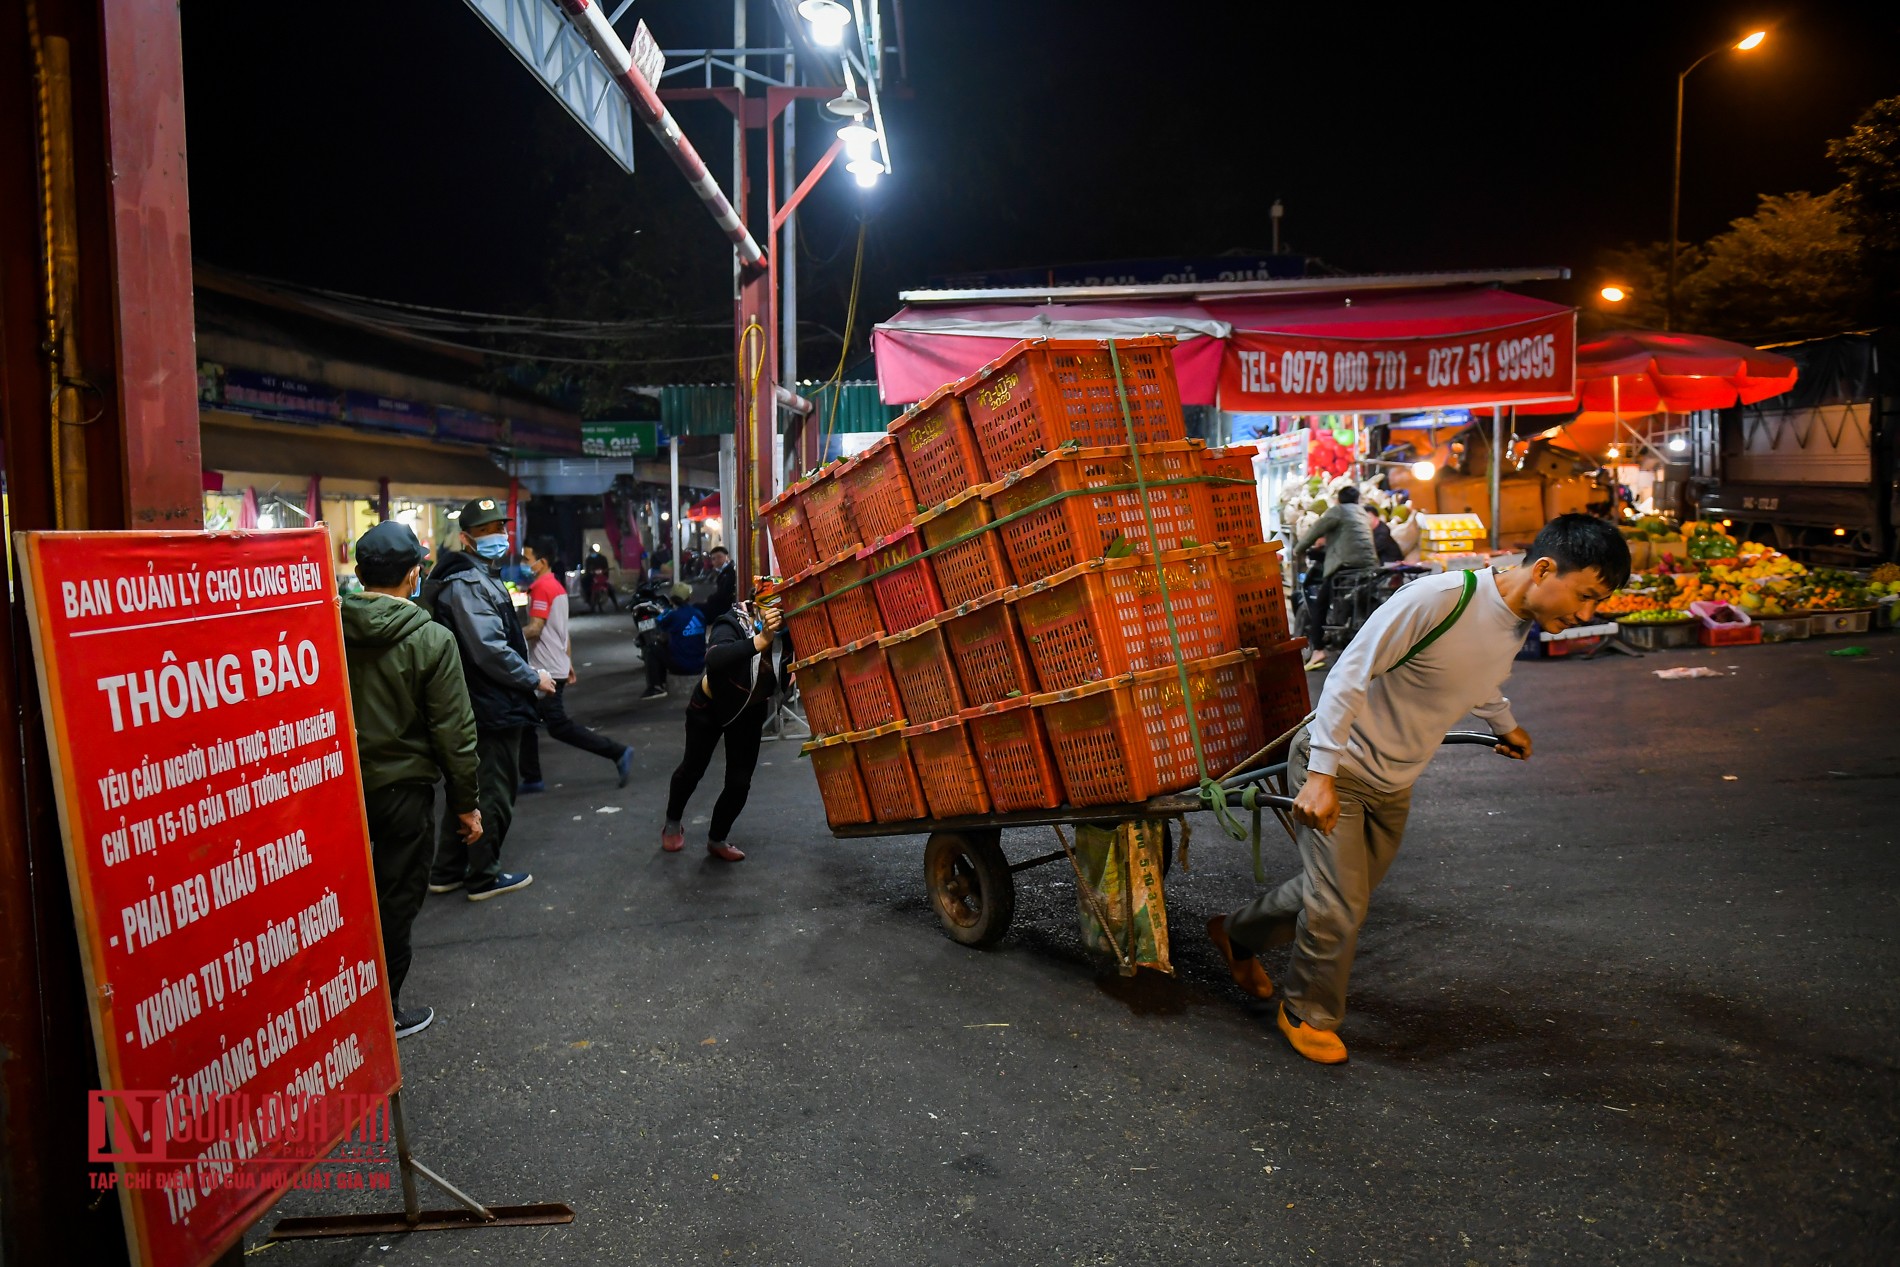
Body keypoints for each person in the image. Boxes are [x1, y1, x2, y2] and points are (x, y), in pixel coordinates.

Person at [1206, 514, 1629, 1065]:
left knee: (1341, 894)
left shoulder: (1516, 620)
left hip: (1394, 778)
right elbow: (1348, 674)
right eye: (1587, 596)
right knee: (1337, 905)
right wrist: (1320, 776)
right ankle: (1307, 1012)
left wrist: (1504, 724)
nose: (1586, 614)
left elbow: (1478, 677)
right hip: (1340, 764)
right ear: (1545, 569)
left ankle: (1235, 935)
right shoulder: (1440, 598)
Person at [340, 521, 482, 1039]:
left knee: (342, 898)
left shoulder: (327, 627)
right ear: (413, 574)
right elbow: (454, 730)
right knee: (395, 899)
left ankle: (332, 1007)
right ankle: (383, 1013)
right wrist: (467, 803)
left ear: (359, 574)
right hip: (403, 794)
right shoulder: (431, 638)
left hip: (336, 791)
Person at [421, 498, 553, 901]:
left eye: (500, 527)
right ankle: (483, 876)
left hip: (472, 700)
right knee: (494, 791)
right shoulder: (470, 581)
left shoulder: (465, 574)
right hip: (489, 703)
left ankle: (447, 869)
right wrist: (533, 677)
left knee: (469, 792)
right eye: (486, 531)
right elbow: (489, 649)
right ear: (465, 538)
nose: (498, 536)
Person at [660, 600, 784, 862]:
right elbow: (714, 658)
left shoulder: (795, 629)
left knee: (739, 782)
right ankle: (673, 821)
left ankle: (717, 838)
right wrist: (760, 640)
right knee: (693, 769)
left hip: (748, 711)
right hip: (710, 706)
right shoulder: (733, 621)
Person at [518, 541, 633, 793]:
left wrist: (507, 637)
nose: (524, 564)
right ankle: (532, 777)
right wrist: (567, 661)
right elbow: (563, 632)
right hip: (553, 664)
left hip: (544, 668)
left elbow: (536, 628)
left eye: (527, 559)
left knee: (557, 725)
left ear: (543, 562)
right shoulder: (556, 586)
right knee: (524, 721)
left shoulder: (541, 587)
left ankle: (618, 752)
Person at [1293, 484, 1379, 671]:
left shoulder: (1337, 511)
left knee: (1320, 605)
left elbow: (1315, 530)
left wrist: (1297, 549)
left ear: (1339, 499)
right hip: (1369, 566)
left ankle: (1318, 649)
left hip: (1344, 566)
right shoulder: (1363, 514)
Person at [640, 583, 707, 700]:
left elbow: (658, 622)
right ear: (688, 598)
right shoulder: (698, 613)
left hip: (682, 665)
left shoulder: (672, 615)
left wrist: (667, 610)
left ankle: (656, 687)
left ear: (672, 599)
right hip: (700, 663)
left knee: (652, 648)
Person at [703, 545, 736, 621]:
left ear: (725, 557)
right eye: (713, 559)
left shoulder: (730, 572)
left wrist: (710, 599)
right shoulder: (722, 572)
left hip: (725, 607)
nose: (715, 561)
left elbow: (724, 593)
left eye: (719, 557)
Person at [581, 547, 620, 611]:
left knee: (610, 589)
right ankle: (589, 602)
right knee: (586, 585)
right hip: (592, 577)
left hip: (602, 576)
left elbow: (606, 568)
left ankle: (616, 605)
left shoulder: (602, 558)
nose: (593, 553)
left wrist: (605, 573)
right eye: (592, 552)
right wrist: (591, 573)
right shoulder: (589, 559)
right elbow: (587, 570)